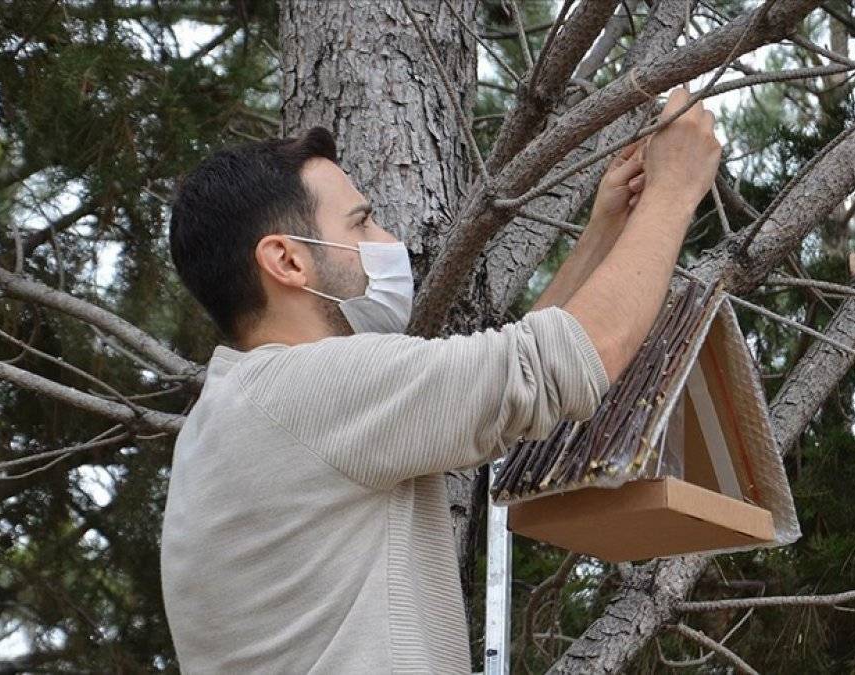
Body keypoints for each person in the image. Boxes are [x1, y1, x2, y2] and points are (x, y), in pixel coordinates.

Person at [160, 85, 722, 673]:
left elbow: (506, 379)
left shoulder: (251, 409)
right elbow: (560, 362)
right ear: (287, 261)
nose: (390, 243)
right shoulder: (306, 390)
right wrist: (675, 191)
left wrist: (604, 232)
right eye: (363, 223)